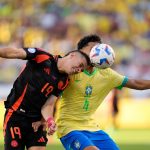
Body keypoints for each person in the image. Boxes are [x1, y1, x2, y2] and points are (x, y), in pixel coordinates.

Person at [33, 34, 150, 150]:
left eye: (98, 48)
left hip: (93, 128)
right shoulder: (71, 72)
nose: (97, 52)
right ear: (80, 52)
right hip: (69, 128)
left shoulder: (108, 75)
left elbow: (135, 83)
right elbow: (49, 98)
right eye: (92, 49)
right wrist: (45, 120)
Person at [0, 47, 90, 150]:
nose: (79, 70)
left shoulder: (64, 82)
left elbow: (49, 104)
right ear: (72, 55)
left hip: (36, 122)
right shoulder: (42, 57)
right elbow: (15, 52)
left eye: (82, 70)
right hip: (15, 115)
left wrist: (49, 121)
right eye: (80, 65)